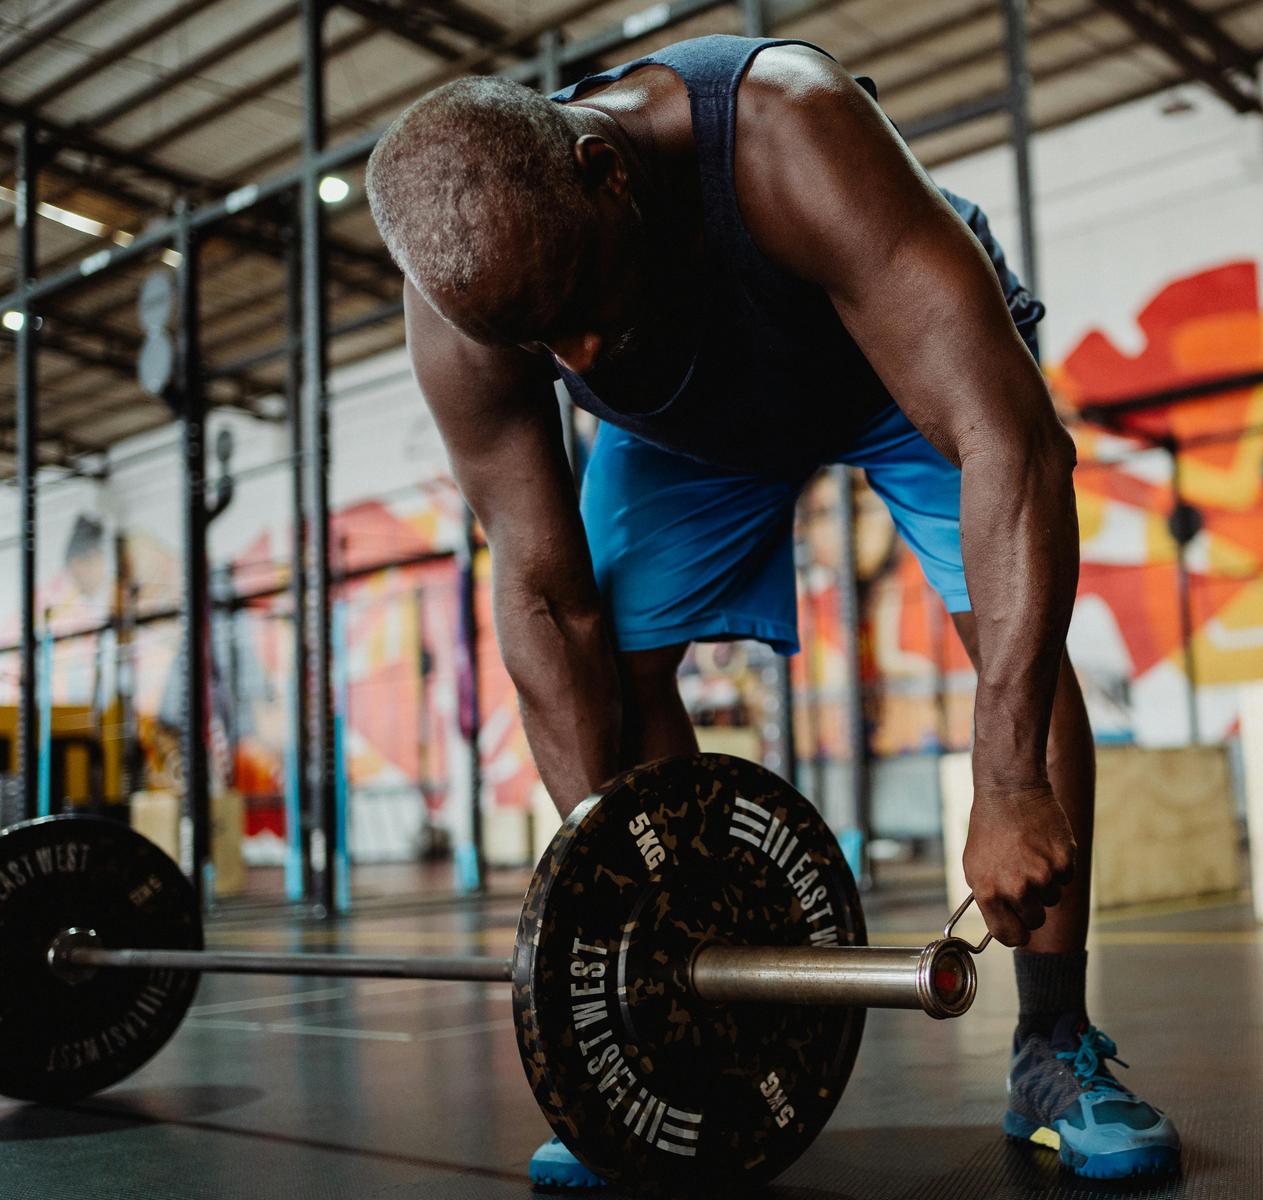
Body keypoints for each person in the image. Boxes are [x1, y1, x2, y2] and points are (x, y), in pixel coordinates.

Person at [365, 34, 1179, 1187]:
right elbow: (546, 598)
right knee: (621, 666)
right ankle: (691, 1044)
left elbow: (1012, 440)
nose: (580, 352)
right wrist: (622, 896)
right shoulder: (469, 310)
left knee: (1009, 638)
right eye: (547, 345)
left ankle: (1053, 1044)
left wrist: (1006, 781)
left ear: (607, 171)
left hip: (888, 366)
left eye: (581, 305)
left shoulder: (787, 131)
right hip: (692, 425)